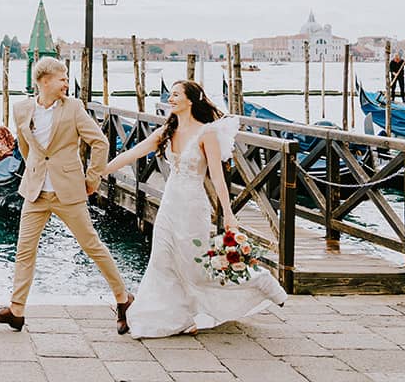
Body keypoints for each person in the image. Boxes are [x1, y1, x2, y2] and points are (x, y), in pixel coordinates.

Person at [104, 80, 287, 338]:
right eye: (171, 95)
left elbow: (218, 178)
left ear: (190, 100)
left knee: (196, 269)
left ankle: (260, 281)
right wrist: (100, 170)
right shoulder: (166, 131)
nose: (171, 98)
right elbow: (134, 152)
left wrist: (229, 214)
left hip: (193, 207)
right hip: (169, 204)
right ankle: (174, 317)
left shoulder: (206, 134)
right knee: (162, 262)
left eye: (176, 95)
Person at [0, 57, 134, 333]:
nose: (66, 84)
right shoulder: (21, 108)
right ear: (44, 80)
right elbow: (25, 146)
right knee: (24, 251)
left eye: (66, 79)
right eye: (62, 79)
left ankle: (123, 299)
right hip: (35, 191)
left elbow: (100, 142)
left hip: (68, 190)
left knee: (92, 247)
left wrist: (92, 178)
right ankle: (16, 310)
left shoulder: (73, 108)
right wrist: (36, 169)